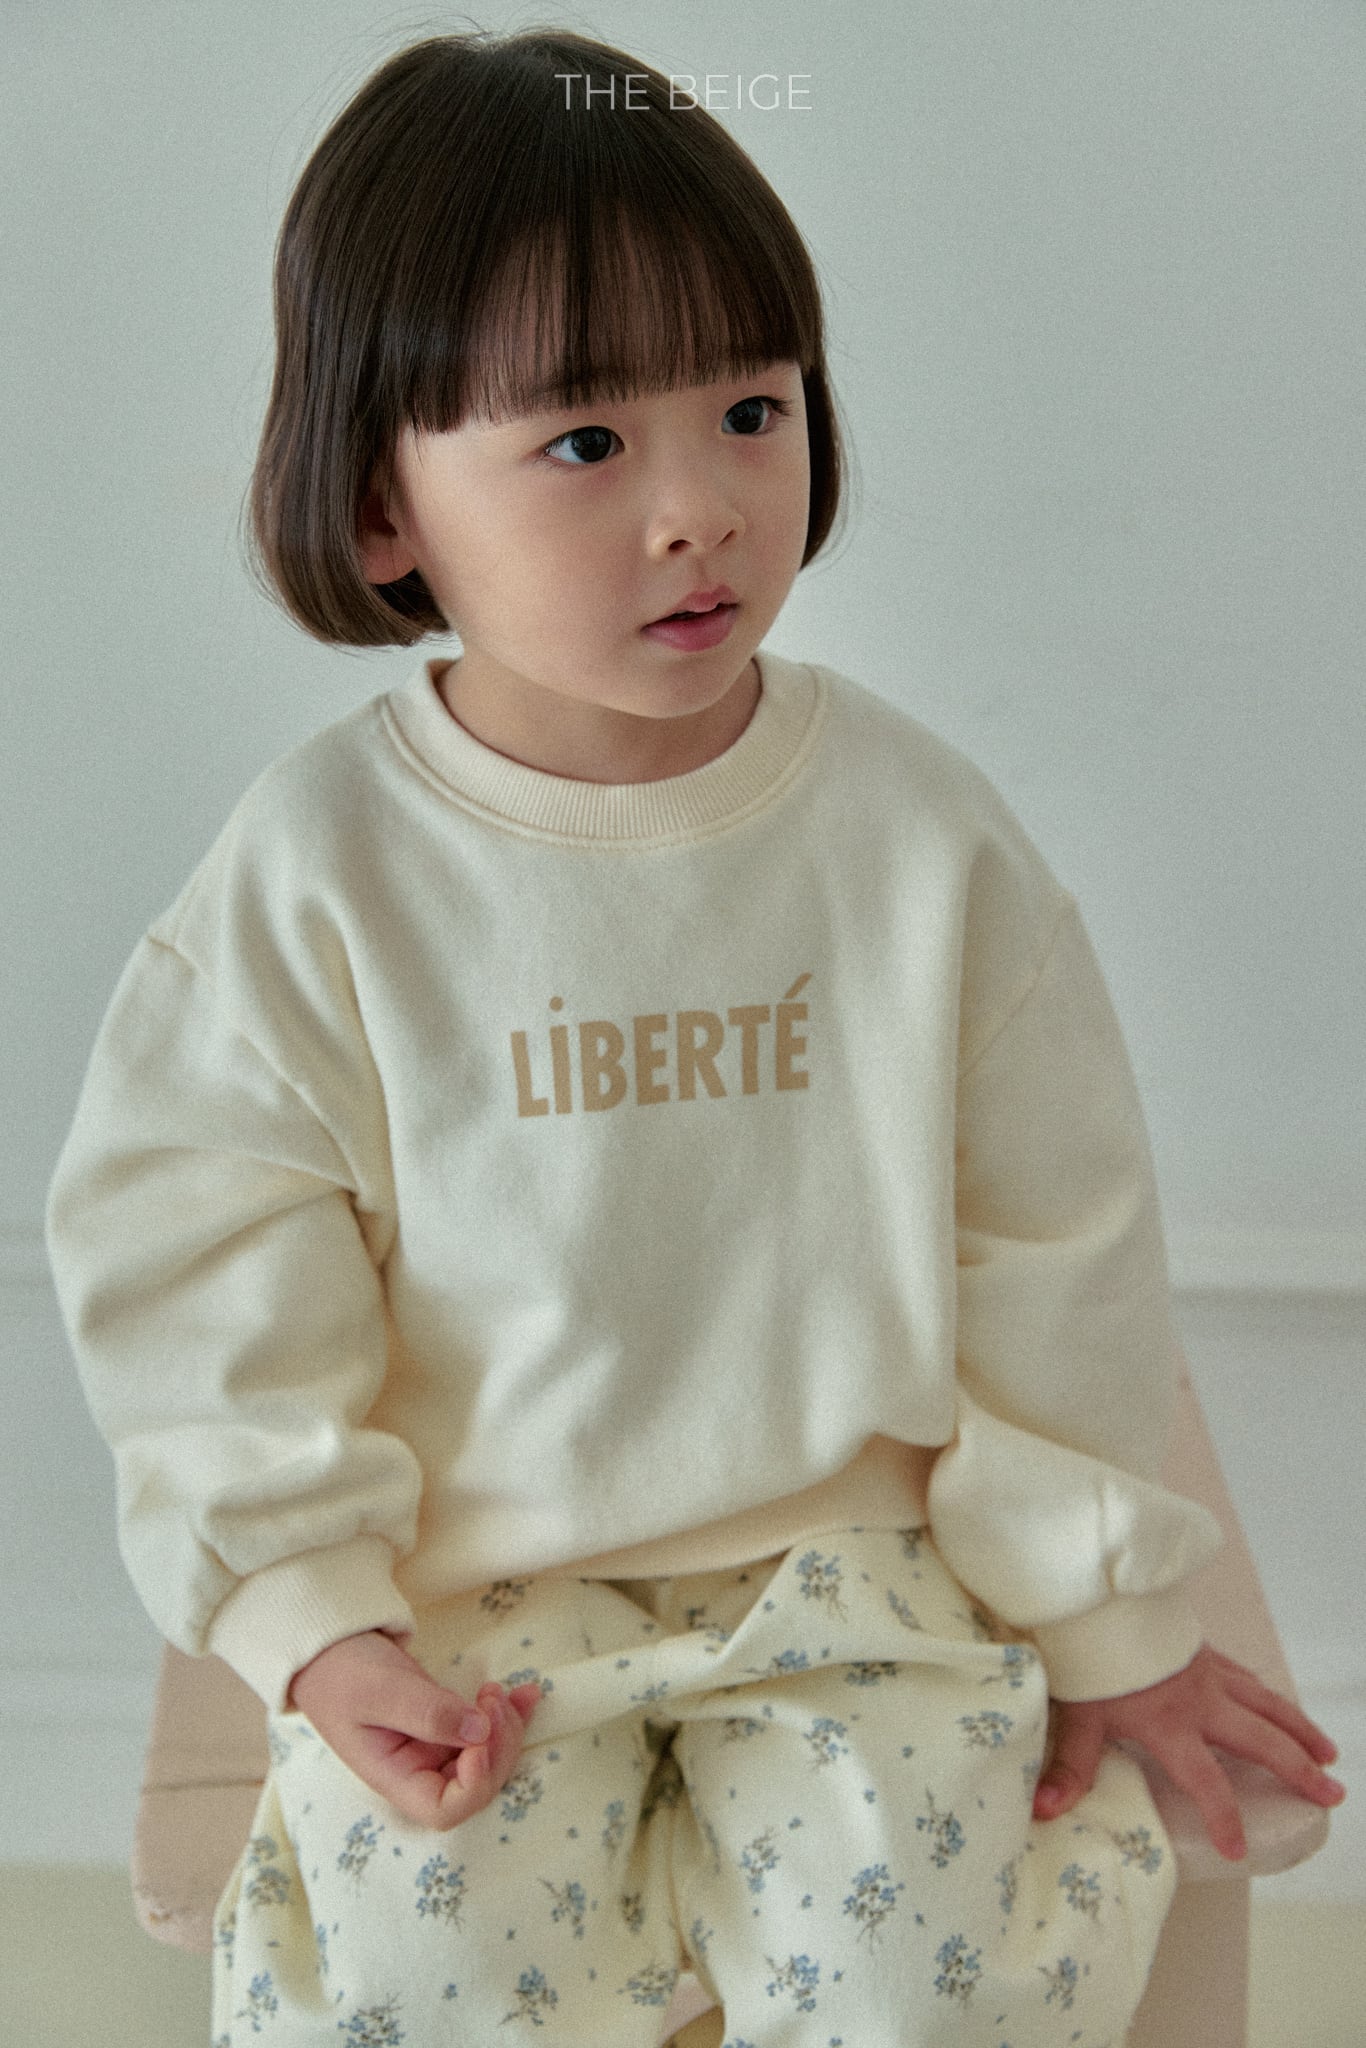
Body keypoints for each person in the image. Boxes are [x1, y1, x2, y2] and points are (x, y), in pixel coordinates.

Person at [47, 26, 1343, 2047]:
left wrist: (1103, 1612)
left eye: (749, 409)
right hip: (469, 1601)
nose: (698, 509)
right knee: (413, 1979)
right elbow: (197, 1257)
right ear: (383, 504)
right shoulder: (317, 877)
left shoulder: (914, 839)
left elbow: (1053, 1240)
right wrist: (309, 1616)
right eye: (584, 442)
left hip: (863, 1582)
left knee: (931, 1979)